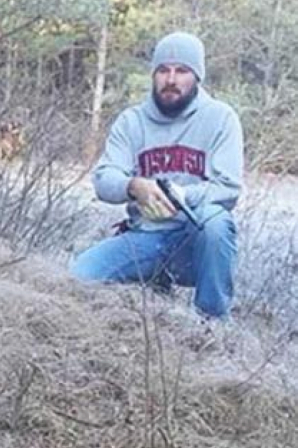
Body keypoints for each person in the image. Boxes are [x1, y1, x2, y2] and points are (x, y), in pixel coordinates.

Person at [70, 31, 244, 319]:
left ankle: (212, 324)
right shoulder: (131, 121)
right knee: (78, 276)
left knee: (216, 222)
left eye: (182, 71)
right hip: (145, 236)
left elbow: (228, 188)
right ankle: (152, 292)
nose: (171, 80)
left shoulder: (221, 119)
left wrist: (181, 195)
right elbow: (103, 178)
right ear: (153, 75)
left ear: (197, 76)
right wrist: (134, 185)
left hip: (194, 239)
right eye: (163, 70)